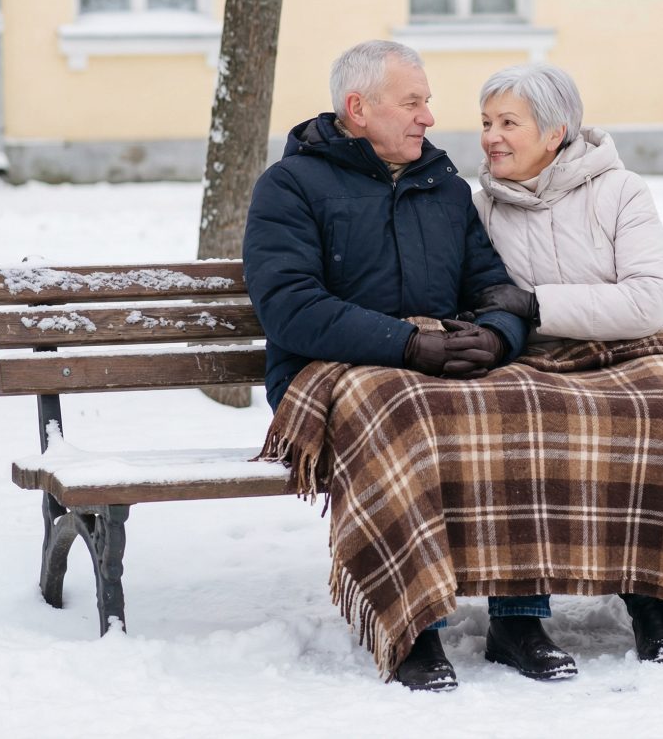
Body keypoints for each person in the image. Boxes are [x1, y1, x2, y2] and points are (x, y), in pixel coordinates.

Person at [243, 40, 577, 691]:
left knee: (521, 399)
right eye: (412, 102)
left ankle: (518, 622)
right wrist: (405, 344)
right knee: (402, 411)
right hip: (327, 373)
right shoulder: (290, 186)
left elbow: (492, 286)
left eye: (427, 101)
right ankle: (413, 624)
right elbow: (291, 308)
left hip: (433, 367)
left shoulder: (443, 187)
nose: (429, 116)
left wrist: (496, 339)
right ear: (358, 108)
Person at [470, 62, 663, 669]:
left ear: (554, 133)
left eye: (508, 123)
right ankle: (534, 618)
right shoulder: (482, 208)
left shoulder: (620, 190)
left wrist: (536, 304)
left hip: (638, 347)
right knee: (516, 416)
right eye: (486, 122)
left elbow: (647, 300)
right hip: (543, 361)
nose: (491, 137)